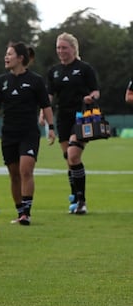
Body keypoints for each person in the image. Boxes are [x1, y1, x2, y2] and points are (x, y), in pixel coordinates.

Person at [0, 42, 55, 225]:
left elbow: (46, 106)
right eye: (6, 54)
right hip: (8, 134)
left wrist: (51, 128)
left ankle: (26, 212)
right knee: (14, 174)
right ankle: (19, 211)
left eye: (10, 54)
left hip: (29, 134)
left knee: (25, 170)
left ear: (20, 58)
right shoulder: (1, 81)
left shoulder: (35, 80)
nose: (6, 57)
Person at [45, 33, 100, 214]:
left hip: (83, 116)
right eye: (58, 48)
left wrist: (91, 97)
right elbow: (49, 97)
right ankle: (75, 196)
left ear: (73, 48)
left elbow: (96, 91)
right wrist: (42, 111)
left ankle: (81, 201)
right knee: (69, 160)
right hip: (63, 117)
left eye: (64, 48)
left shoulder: (84, 68)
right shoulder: (54, 71)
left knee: (73, 155)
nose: (61, 51)